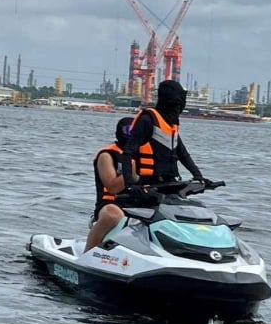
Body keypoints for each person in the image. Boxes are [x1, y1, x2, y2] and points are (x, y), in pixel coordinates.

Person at [122, 79, 215, 188]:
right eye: (178, 103)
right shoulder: (147, 120)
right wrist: (129, 184)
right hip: (147, 183)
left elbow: (183, 155)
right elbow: (127, 152)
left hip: (169, 181)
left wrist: (199, 177)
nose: (180, 107)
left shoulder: (171, 125)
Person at [84, 117, 132, 252]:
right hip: (111, 204)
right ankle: (87, 253)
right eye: (129, 130)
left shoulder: (145, 154)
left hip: (139, 202)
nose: (132, 134)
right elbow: (112, 187)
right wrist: (132, 171)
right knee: (112, 215)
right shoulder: (107, 155)